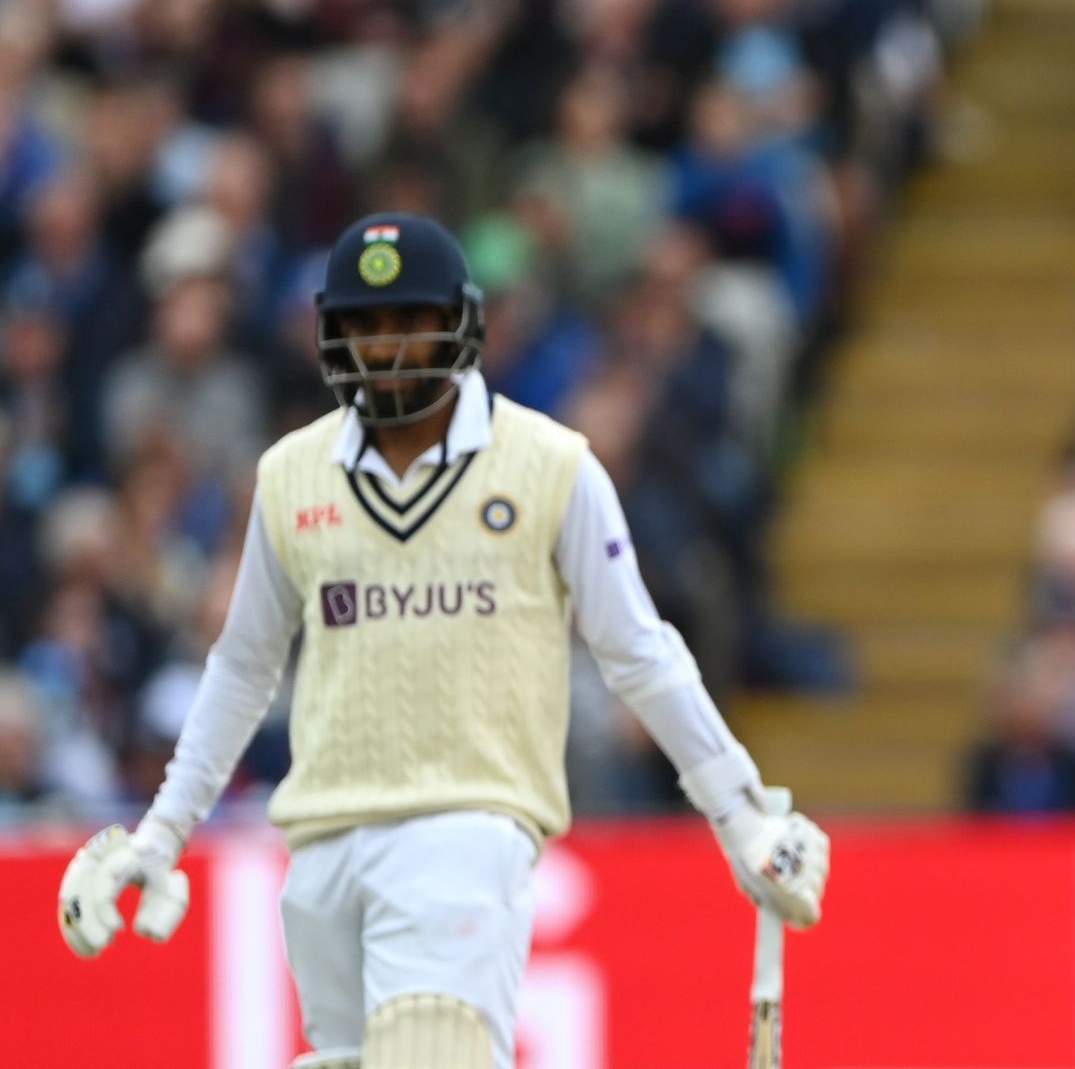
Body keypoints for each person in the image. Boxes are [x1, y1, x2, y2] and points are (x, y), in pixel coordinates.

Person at [54, 211, 830, 1069]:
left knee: (430, 1053)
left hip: (466, 826)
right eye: (362, 325)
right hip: (322, 844)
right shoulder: (291, 475)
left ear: (458, 324)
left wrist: (741, 812)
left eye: (407, 320)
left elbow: (637, 649)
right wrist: (161, 833)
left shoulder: (549, 465)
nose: (383, 346)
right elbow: (243, 667)